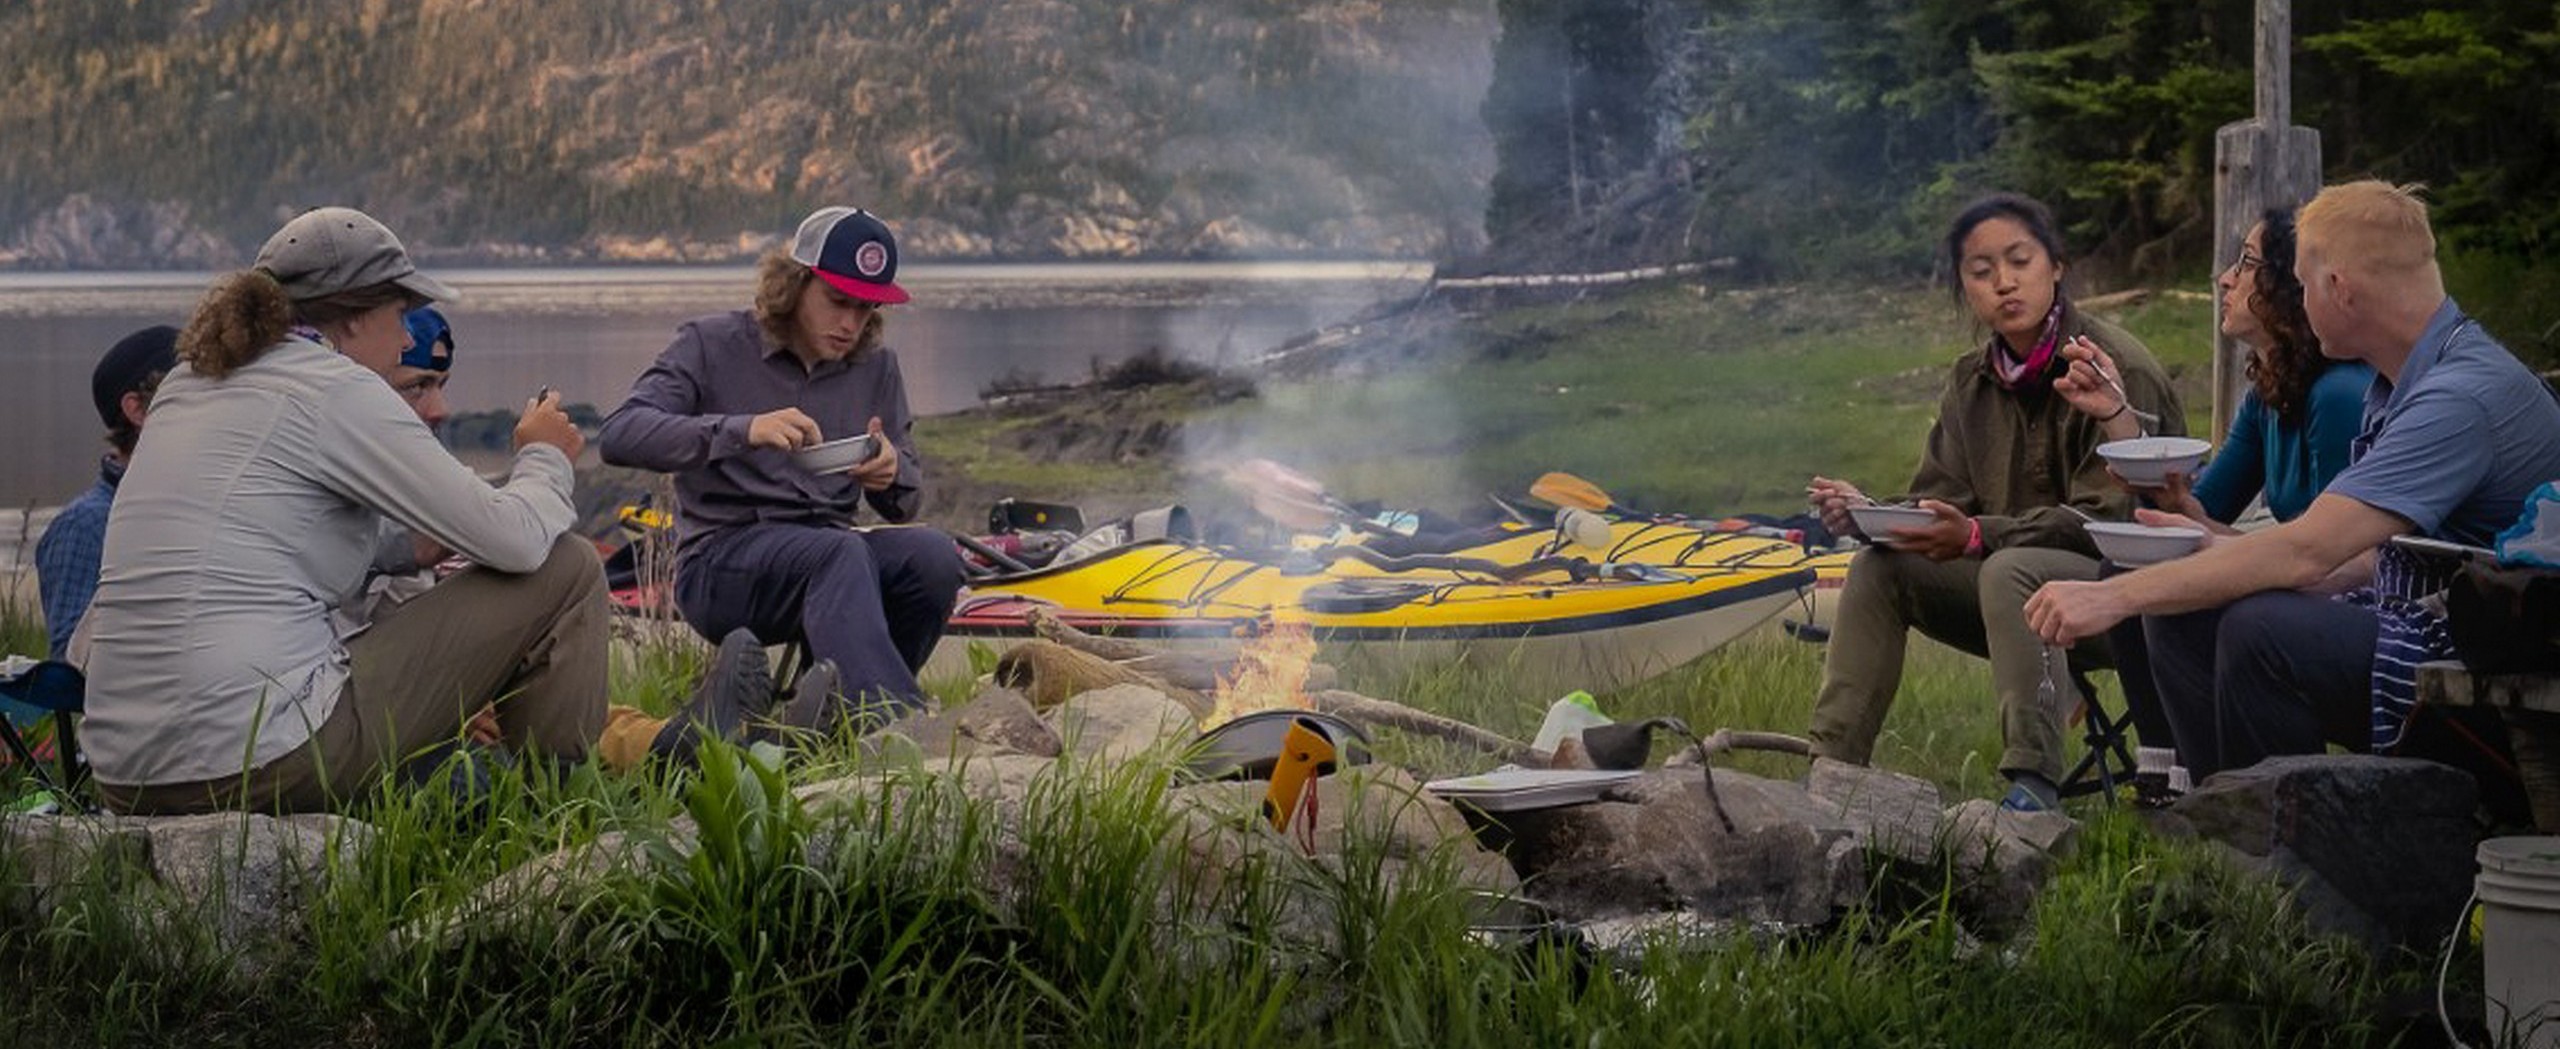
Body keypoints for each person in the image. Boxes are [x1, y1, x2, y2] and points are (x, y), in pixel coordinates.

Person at [80, 207, 767, 815]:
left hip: (124, 772)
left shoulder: (191, 387)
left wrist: (405, 547)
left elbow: (264, 541)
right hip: (261, 759)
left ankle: (632, 759)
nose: (406, 337)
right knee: (566, 566)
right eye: (399, 315)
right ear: (355, 316)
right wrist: (545, 457)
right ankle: (559, 802)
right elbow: (522, 542)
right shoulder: (333, 386)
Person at [2026, 180, 2560, 791]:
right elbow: (2367, 560)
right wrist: (2204, 552)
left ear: (2338, 288)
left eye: (2304, 285)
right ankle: (2221, 825)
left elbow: (2311, 551)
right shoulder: (2407, 380)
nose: (2300, 302)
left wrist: (2112, 599)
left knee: (2264, 632)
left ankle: (2288, 856)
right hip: (2456, 626)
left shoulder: (2458, 398)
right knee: (2185, 613)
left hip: (2505, 674)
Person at [1803, 193, 2185, 812]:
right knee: (1880, 568)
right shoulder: (1971, 380)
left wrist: (1979, 537)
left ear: (2056, 266)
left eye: (2020, 261)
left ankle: (2033, 784)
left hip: (2134, 602)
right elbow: (1941, 502)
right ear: (1963, 287)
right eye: (1981, 272)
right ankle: (1830, 768)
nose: (2004, 283)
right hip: (2014, 598)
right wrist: (1873, 514)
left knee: (2014, 570)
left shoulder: (2114, 367)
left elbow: (2110, 520)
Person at [2053, 206, 2372, 802]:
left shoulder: (2339, 394)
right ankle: (2168, 778)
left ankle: (2220, 795)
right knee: (2129, 563)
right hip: (2299, 575)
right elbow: (2195, 509)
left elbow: (2342, 560)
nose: (2225, 278)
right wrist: (2116, 416)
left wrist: (2204, 542)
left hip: (2350, 600)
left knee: (2175, 589)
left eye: (2247, 264)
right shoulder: (2271, 392)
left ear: (2289, 286)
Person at [599, 206, 965, 725]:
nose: (850, 324)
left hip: (832, 559)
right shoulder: (711, 344)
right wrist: (741, 429)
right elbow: (620, 434)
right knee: (837, 553)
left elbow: (904, 502)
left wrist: (890, 473)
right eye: (838, 301)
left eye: (866, 309)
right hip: (721, 564)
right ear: (794, 284)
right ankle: (892, 726)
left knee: (931, 556)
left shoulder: (877, 368)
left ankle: (834, 719)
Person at [33, 326, 179, 664]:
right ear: (137, 410)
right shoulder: (85, 525)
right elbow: (69, 665)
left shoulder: (199, 506)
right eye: (185, 393)